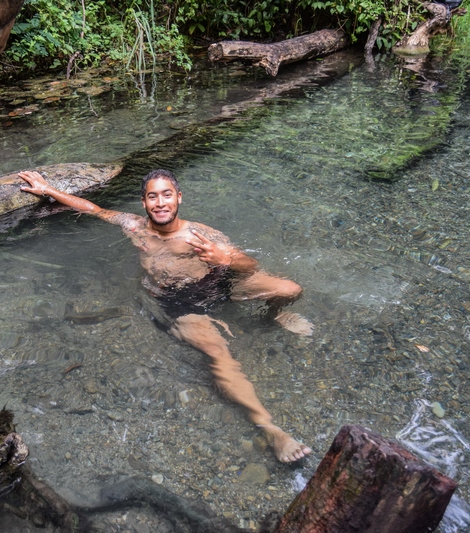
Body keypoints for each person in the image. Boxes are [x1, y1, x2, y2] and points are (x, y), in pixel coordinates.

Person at [18, 168, 313, 463]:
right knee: (217, 351)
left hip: (217, 283)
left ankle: (273, 315)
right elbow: (93, 209)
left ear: (179, 198)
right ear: (144, 202)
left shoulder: (200, 234)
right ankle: (271, 429)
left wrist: (225, 259)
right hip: (178, 301)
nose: (160, 203)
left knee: (290, 289)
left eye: (166, 195)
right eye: (153, 196)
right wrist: (48, 190)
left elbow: (249, 265)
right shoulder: (134, 227)